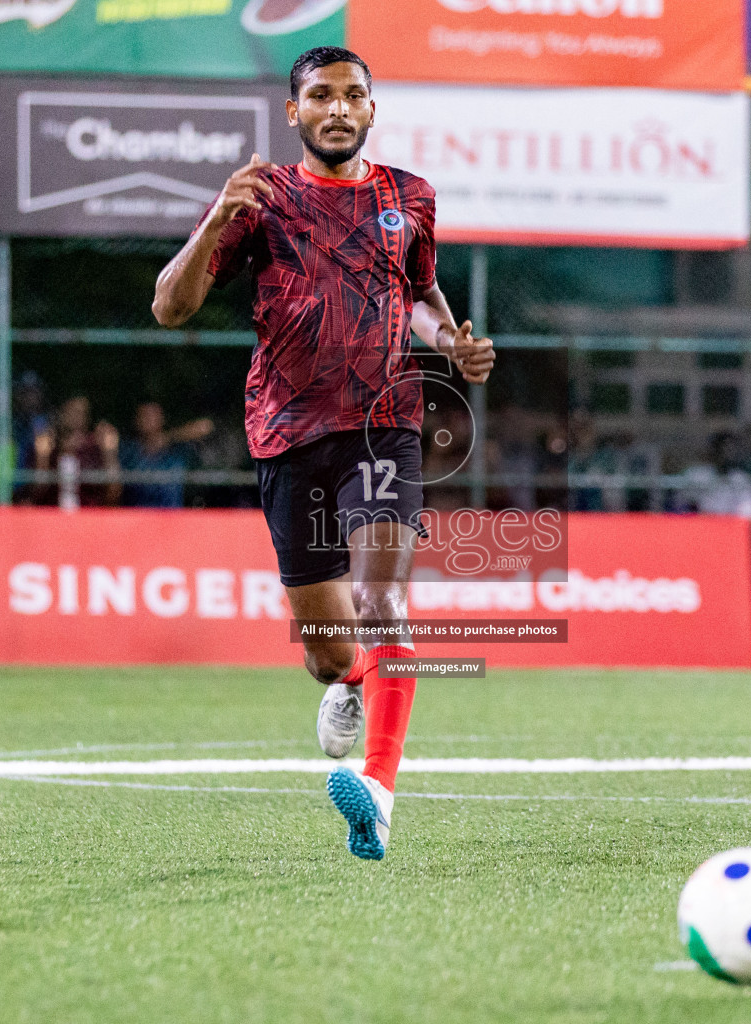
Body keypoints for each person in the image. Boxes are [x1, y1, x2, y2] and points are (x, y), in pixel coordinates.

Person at [151, 46, 495, 861]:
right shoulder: (259, 202)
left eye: (352, 96)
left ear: (372, 110)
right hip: (285, 433)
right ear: (293, 111)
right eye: (320, 96)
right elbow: (171, 307)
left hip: (384, 424)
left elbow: (418, 287)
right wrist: (214, 219)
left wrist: (448, 339)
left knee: (383, 607)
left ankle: (377, 793)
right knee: (327, 650)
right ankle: (348, 682)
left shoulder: (409, 197)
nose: (337, 108)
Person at [29, 395, 122, 508]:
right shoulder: (49, 446)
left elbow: (113, 493)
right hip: (53, 514)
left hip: (89, 514)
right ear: (61, 413)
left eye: (82, 412)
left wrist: (109, 454)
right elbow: (37, 492)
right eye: (72, 411)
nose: (77, 417)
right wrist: (42, 457)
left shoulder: (95, 447)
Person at [120, 402, 214, 508]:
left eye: (153, 415)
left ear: (162, 419)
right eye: (144, 415)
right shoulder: (129, 452)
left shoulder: (177, 450)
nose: (149, 420)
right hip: (136, 518)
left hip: (171, 518)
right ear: (136, 421)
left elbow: (206, 427)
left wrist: (168, 438)